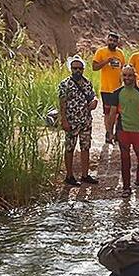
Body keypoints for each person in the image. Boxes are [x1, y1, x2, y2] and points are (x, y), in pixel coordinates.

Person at [106, 66, 139, 197]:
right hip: (123, 131)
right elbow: (112, 113)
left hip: (138, 131)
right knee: (125, 160)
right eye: (125, 75)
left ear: (135, 77)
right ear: (122, 76)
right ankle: (126, 187)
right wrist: (109, 131)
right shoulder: (117, 93)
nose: (127, 78)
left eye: (130, 75)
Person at [57, 55, 98, 186]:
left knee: (85, 147)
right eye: (75, 68)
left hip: (85, 120)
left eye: (80, 68)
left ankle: (85, 175)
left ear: (83, 69)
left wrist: (95, 102)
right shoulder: (65, 84)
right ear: (71, 69)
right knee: (70, 148)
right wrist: (64, 120)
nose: (77, 71)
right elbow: (62, 104)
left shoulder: (87, 83)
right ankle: (69, 176)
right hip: (71, 120)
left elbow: (93, 96)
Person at [92, 32, 126, 144]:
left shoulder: (120, 53)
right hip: (106, 88)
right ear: (107, 40)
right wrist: (106, 61)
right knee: (107, 113)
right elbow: (94, 67)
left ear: (117, 42)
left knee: (117, 113)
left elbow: (123, 69)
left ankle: (116, 134)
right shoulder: (101, 52)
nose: (112, 42)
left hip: (118, 88)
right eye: (110, 40)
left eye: (114, 41)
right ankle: (108, 133)